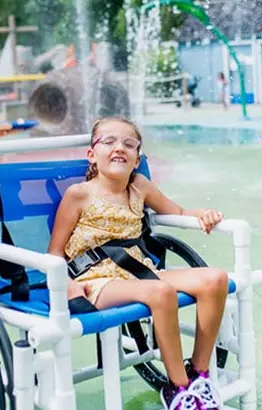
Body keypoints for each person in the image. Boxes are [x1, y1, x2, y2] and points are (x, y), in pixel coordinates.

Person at [47, 117, 229, 410]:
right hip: (95, 280)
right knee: (160, 293)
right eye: (109, 142)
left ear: (137, 158)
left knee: (215, 279)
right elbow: (55, 252)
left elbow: (178, 211)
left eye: (128, 144)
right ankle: (179, 388)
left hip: (139, 272)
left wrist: (203, 214)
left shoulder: (140, 186)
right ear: (92, 154)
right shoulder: (79, 194)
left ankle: (199, 374)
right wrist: (67, 286)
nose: (119, 148)